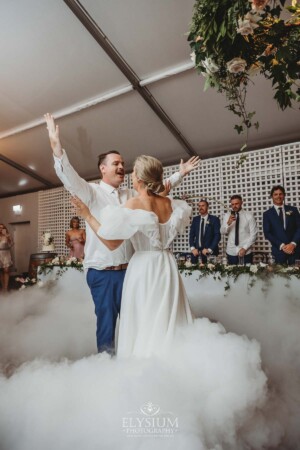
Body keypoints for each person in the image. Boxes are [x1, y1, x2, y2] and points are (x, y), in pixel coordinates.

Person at [44, 113, 200, 353]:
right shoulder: (91, 192)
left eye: (123, 163)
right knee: (107, 325)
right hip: (102, 273)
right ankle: (107, 370)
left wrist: (180, 174)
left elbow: (157, 188)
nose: (121, 166)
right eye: (115, 163)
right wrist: (57, 148)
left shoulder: (131, 195)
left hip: (131, 270)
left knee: (136, 323)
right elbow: (70, 179)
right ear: (102, 168)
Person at [263, 185, 300, 264]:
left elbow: (299, 228)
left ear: (284, 195)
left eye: (280, 194)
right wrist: (282, 246)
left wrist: (293, 244)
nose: (278, 196)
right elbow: (267, 233)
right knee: (279, 276)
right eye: (275, 194)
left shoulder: (293, 210)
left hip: (295, 250)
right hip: (278, 251)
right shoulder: (267, 214)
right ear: (271, 196)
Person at [220, 195, 257, 265]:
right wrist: (228, 223)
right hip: (231, 251)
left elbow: (254, 235)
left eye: (236, 204)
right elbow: (222, 232)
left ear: (241, 203)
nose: (234, 206)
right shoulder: (227, 215)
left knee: (247, 275)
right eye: (232, 204)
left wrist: (244, 248)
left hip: (246, 251)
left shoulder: (249, 215)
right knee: (232, 275)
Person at [189, 199, 221, 264]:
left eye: (203, 205)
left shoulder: (214, 219)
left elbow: (217, 236)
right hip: (197, 252)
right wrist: (193, 248)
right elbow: (191, 235)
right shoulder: (195, 219)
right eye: (199, 206)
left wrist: (209, 249)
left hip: (210, 253)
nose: (201, 207)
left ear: (207, 207)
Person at [0, 224, 13, 293]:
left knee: (6, 270)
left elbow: (11, 245)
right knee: (0, 271)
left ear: (5, 229)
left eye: (2, 228)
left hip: (6, 254)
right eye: (0, 228)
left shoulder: (7, 236)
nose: (1, 229)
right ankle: (3, 287)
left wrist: (8, 238)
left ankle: (6, 288)